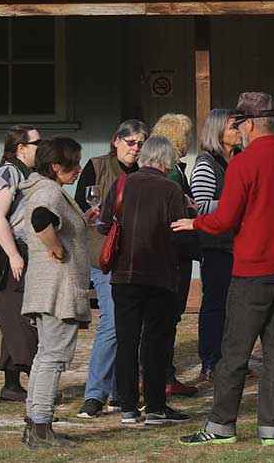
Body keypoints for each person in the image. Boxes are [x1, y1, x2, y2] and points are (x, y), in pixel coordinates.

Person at [174, 92, 274, 446]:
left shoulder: (244, 164)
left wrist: (195, 223)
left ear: (248, 124)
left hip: (252, 271)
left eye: (239, 125)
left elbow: (225, 219)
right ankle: (270, 429)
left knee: (234, 352)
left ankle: (221, 425)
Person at [98, 136, 194, 426]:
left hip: (124, 274)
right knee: (155, 342)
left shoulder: (122, 184)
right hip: (159, 275)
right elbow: (180, 233)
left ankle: (128, 406)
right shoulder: (171, 189)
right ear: (166, 161)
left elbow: (103, 225)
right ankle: (155, 406)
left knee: (126, 341)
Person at [17, 137, 88, 449]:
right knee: (54, 358)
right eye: (74, 163)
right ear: (56, 166)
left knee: (45, 356)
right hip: (58, 288)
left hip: (46, 287)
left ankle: (35, 424)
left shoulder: (43, 188)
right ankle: (41, 427)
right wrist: (56, 247)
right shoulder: (49, 190)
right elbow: (40, 219)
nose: (79, 169)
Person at [75, 119, 148, 419]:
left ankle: (121, 392)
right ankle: (95, 394)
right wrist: (93, 212)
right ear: (116, 141)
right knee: (112, 322)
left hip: (135, 257)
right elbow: (80, 207)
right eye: (131, 142)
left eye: (141, 144)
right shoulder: (97, 166)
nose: (136, 149)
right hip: (104, 256)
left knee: (132, 325)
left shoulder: (144, 172)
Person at [0, 125, 41, 403]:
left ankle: (11, 386)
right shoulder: (8, 173)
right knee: (21, 319)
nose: (42, 147)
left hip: (19, 251)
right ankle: (38, 381)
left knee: (14, 318)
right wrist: (13, 255)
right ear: (21, 148)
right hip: (9, 254)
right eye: (37, 143)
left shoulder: (24, 173)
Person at [149, 113, 200, 398]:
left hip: (171, 254)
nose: (190, 141)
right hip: (173, 254)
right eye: (187, 135)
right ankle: (162, 376)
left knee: (167, 318)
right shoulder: (170, 174)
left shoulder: (171, 170)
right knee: (166, 318)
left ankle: (163, 373)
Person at [189, 108, 241, 382]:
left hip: (240, 245)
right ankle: (210, 361)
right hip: (216, 246)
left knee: (237, 307)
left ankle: (232, 361)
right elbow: (201, 207)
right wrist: (236, 205)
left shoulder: (241, 158)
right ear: (218, 131)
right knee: (215, 305)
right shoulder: (206, 164)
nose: (239, 131)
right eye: (233, 127)